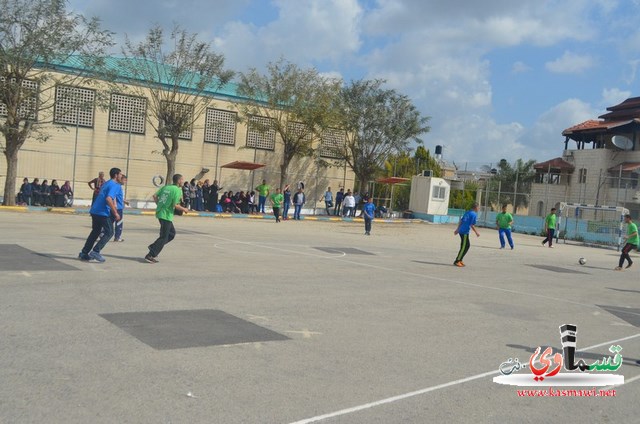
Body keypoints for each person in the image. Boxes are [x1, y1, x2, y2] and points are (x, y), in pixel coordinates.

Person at [79, 167, 123, 263]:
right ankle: (96, 251)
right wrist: (115, 212)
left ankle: (84, 253)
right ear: (116, 175)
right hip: (103, 212)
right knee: (110, 232)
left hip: (95, 210)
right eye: (120, 174)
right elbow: (108, 199)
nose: (121, 176)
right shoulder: (115, 185)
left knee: (95, 232)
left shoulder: (106, 183)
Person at [146, 173, 189, 263]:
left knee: (171, 234)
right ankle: (151, 254)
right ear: (178, 181)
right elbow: (175, 205)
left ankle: (154, 246)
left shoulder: (166, 187)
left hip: (161, 213)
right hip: (166, 215)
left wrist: (159, 205)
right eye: (182, 180)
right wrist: (184, 209)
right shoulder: (177, 190)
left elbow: (154, 196)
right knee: (164, 236)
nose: (183, 181)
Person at [453, 203, 480, 267]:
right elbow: (472, 225)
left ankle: (460, 259)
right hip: (464, 232)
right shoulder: (474, 214)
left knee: (466, 245)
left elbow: (461, 221)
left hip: (461, 231)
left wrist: (457, 229)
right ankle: (457, 261)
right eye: (478, 207)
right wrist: (476, 232)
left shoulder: (467, 212)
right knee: (464, 246)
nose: (479, 209)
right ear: (475, 208)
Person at [113, 176, 128, 242]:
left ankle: (102, 232)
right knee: (119, 222)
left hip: (119, 207)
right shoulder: (118, 187)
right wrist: (115, 205)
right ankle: (117, 237)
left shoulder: (119, 187)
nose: (125, 182)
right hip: (118, 207)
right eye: (124, 180)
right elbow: (114, 196)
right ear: (120, 179)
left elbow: (119, 197)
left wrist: (125, 201)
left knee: (111, 221)